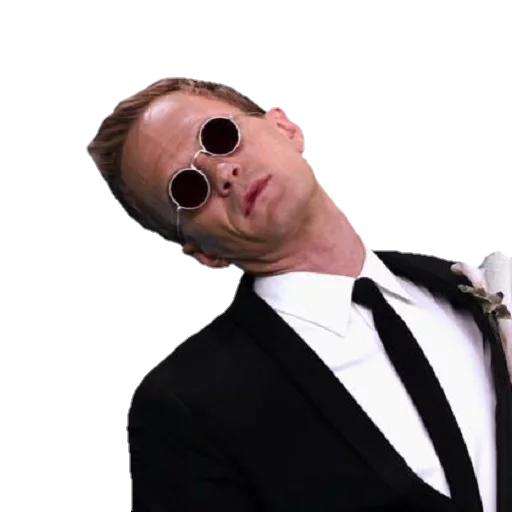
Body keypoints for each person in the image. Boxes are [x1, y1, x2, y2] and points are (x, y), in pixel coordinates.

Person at [87, 77, 511, 512]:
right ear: (202, 253)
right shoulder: (185, 406)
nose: (222, 172)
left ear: (285, 128)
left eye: (219, 136)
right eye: (188, 189)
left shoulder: (473, 290)